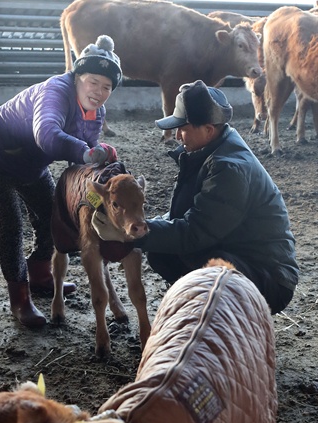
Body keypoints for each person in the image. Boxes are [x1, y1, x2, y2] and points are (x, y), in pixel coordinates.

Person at [92, 79, 299, 314]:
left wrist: (132, 236)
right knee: (162, 250)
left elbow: (195, 233)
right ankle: (202, 308)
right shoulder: (211, 151)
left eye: (182, 128)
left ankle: (220, 322)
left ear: (208, 129)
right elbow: (187, 214)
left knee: (201, 262)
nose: (177, 135)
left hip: (268, 277)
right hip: (240, 252)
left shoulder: (229, 169)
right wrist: (144, 226)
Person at [0, 35, 122, 328]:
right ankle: (20, 299)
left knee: (53, 216)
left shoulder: (96, 112)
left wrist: (100, 178)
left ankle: (40, 274)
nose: (99, 92)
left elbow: (85, 159)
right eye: (93, 82)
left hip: (32, 164)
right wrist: (88, 152)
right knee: (10, 224)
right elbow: (47, 135)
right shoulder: (56, 90)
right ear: (77, 76)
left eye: (107, 87)